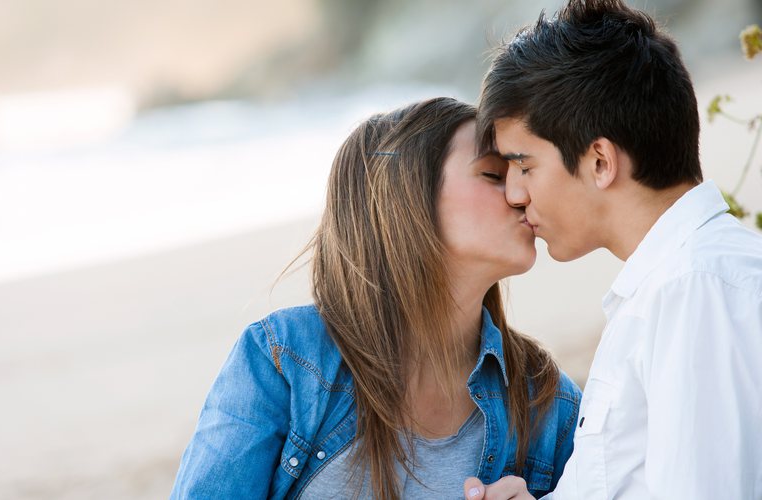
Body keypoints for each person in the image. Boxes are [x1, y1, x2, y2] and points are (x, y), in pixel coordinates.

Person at [170, 97, 581, 499]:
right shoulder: (285, 360)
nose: (520, 193)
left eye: (522, 169)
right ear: (406, 200)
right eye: (494, 174)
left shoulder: (549, 403)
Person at [465, 0, 762, 499]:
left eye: (523, 164)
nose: (514, 194)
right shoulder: (671, 286)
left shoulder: (696, 288)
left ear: (600, 161)